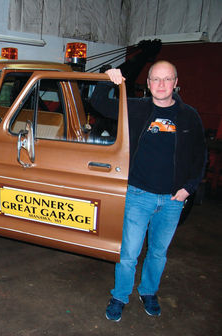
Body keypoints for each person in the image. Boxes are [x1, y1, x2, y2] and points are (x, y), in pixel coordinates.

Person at [91, 61, 206, 322]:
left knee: (157, 252)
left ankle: (149, 292)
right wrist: (107, 77)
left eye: (167, 79)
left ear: (176, 83)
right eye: (156, 79)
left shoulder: (190, 115)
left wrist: (189, 188)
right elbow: (100, 104)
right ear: (148, 83)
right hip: (138, 196)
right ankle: (120, 296)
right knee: (128, 254)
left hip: (173, 199)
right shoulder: (135, 107)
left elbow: (200, 155)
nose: (161, 85)